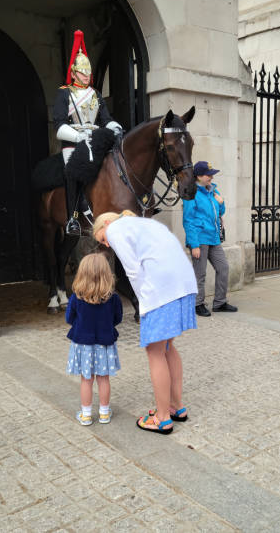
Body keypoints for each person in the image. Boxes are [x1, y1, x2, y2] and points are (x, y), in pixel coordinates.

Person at [93, 210, 197, 435]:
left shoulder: (115, 229)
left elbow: (132, 270)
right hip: (183, 283)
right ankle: (176, 407)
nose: (106, 244)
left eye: (102, 239)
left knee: (155, 351)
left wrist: (143, 303)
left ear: (107, 223)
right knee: (167, 347)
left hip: (161, 290)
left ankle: (162, 418)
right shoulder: (141, 224)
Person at [53, 29, 123, 235]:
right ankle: (73, 219)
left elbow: (105, 119)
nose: (86, 76)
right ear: (74, 72)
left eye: (88, 72)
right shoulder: (64, 93)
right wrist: (77, 136)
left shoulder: (96, 95)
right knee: (72, 174)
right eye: (82, 72)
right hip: (72, 141)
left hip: (94, 140)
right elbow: (58, 124)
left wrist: (114, 127)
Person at [65, 253, 123, 426]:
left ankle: (86, 415)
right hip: (104, 344)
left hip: (83, 344)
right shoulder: (113, 298)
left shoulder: (76, 297)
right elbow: (117, 319)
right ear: (107, 273)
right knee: (103, 378)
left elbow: (69, 318)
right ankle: (104, 414)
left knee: (86, 379)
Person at [182, 161, 238, 317]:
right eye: (208, 175)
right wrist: (194, 245)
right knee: (200, 273)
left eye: (212, 174)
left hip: (213, 237)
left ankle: (220, 303)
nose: (211, 177)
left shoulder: (213, 190)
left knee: (223, 268)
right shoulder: (190, 193)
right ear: (199, 176)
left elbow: (220, 211)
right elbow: (188, 221)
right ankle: (197, 304)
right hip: (199, 239)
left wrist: (222, 203)